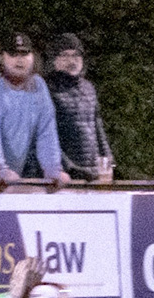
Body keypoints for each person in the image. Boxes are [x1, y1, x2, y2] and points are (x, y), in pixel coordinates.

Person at [0, 33, 69, 184]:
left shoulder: (39, 85)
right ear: (1, 57)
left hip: (16, 173)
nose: (19, 60)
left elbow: (47, 131)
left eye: (24, 54)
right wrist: (1, 168)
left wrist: (52, 168)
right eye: (13, 54)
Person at [45, 33, 115, 184]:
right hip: (65, 175)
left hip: (93, 170)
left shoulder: (89, 88)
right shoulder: (48, 89)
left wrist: (108, 160)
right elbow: (46, 136)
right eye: (65, 55)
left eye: (76, 55)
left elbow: (98, 127)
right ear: (54, 60)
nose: (72, 61)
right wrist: (69, 167)